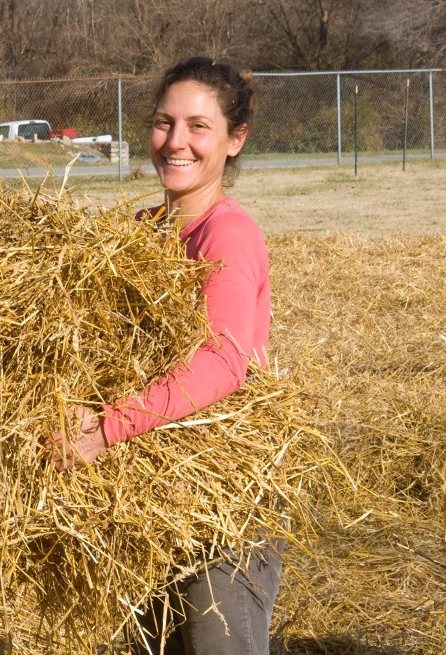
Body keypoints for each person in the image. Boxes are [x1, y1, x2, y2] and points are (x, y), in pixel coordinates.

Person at [47, 57, 281, 655]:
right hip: (147, 494)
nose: (175, 142)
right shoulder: (142, 229)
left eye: (198, 127)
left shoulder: (225, 232)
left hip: (216, 502)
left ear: (236, 140)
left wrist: (107, 427)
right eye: (162, 122)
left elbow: (223, 360)